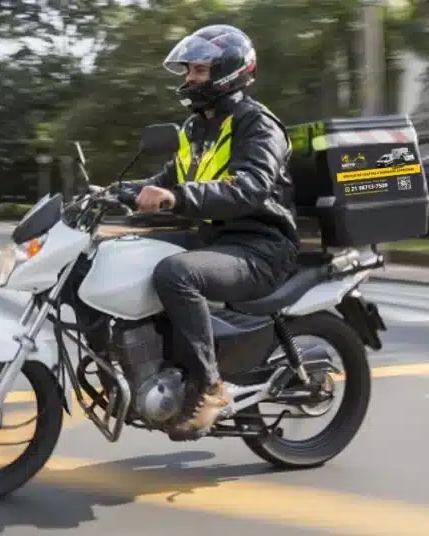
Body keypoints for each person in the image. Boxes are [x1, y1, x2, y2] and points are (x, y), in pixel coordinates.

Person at [117, 24, 302, 441]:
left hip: (261, 247)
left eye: (199, 70)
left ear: (228, 73)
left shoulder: (259, 125)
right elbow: (168, 178)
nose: (189, 79)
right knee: (128, 252)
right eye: (189, 70)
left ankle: (209, 386)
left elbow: (250, 187)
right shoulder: (195, 128)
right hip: (216, 241)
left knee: (176, 274)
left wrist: (176, 197)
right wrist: (114, 192)